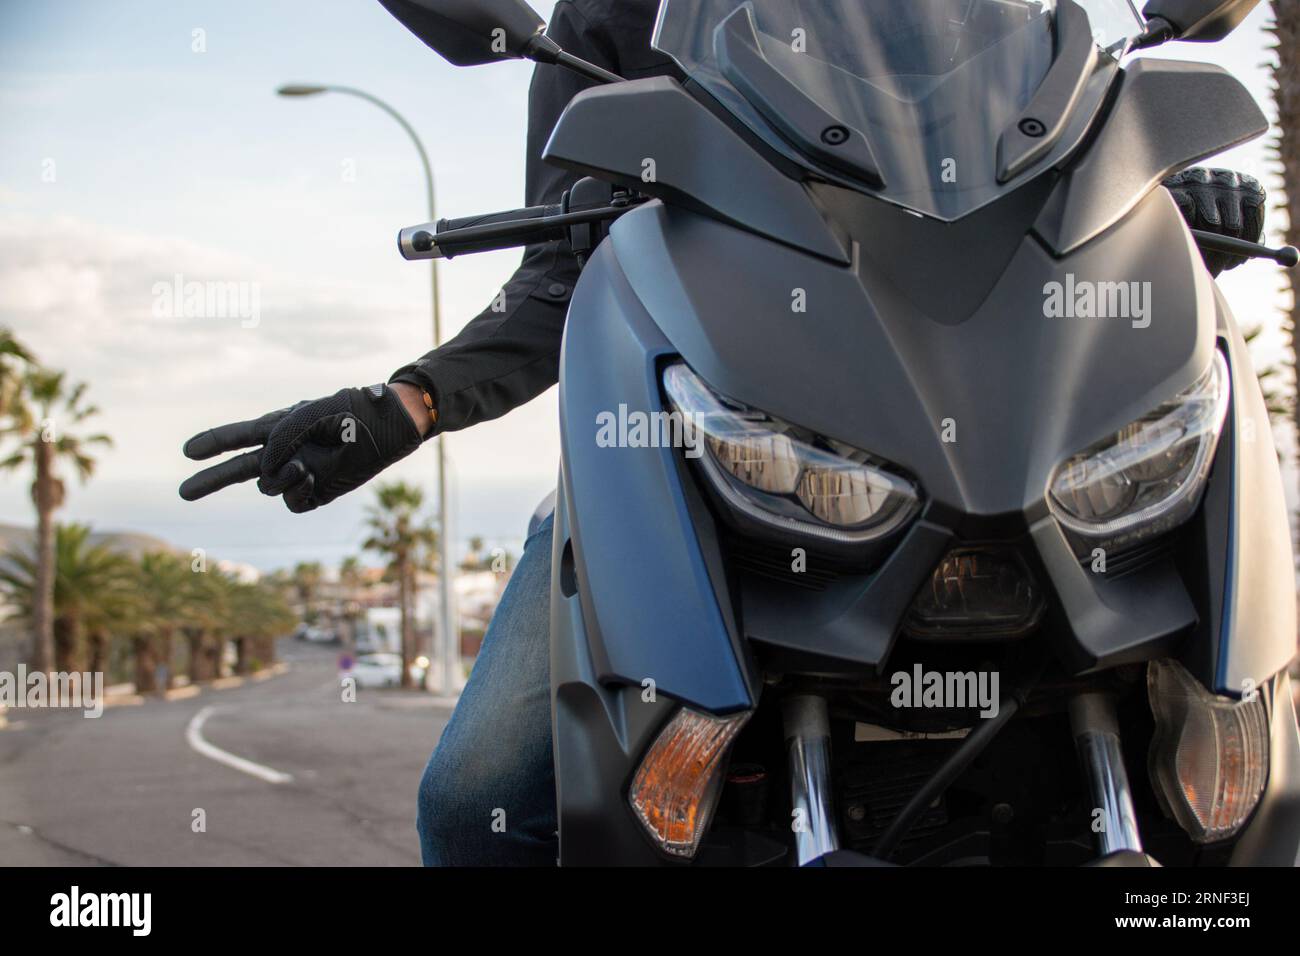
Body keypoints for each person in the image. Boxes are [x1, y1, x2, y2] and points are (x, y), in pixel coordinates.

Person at [179, 0, 1268, 866]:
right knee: (478, 799)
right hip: (718, 442)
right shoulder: (613, 17)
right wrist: (403, 402)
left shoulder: (982, 14)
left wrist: (1154, 195)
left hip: (1008, 424)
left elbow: (1051, 159)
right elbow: (564, 266)